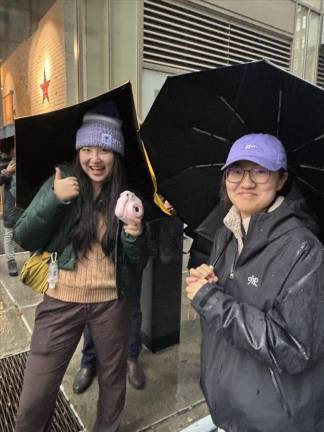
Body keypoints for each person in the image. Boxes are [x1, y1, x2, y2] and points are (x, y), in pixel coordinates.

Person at [14, 102, 148, 432]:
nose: (94, 158)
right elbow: (23, 236)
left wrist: (134, 233)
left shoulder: (127, 195)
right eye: (87, 148)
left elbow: (137, 263)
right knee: (35, 392)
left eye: (104, 148)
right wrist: (55, 199)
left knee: (113, 381)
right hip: (61, 299)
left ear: (115, 152)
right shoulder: (62, 179)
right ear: (78, 150)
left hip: (111, 303)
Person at [186, 133, 324, 432]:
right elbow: (231, 315)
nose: (246, 182)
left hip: (273, 418)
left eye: (260, 171)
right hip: (229, 400)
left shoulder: (304, 249)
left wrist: (211, 300)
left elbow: (294, 347)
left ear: (281, 178)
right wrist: (210, 286)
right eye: (237, 170)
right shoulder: (225, 232)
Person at [0, 143, 22, 276]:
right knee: (9, 234)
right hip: (11, 205)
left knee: (33, 230)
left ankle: (35, 258)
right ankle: (11, 260)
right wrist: (7, 172)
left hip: (28, 203)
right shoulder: (4, 162)